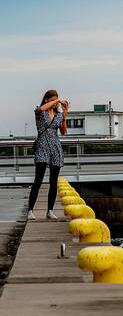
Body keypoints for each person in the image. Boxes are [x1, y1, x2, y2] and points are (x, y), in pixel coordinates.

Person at [29, 90, 68, 220]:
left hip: (55, 147)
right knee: (38, 180)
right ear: (46, 99)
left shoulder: (58, 114)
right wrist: (58, 100)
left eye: (55, 100)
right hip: (42, 146)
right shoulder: (40, 112)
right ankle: (30, 210)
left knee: (53, 181)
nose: (54, 103)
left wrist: (64, 116)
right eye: (51, 100)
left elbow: (63, 132)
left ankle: (50, 210)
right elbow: (41, 108)